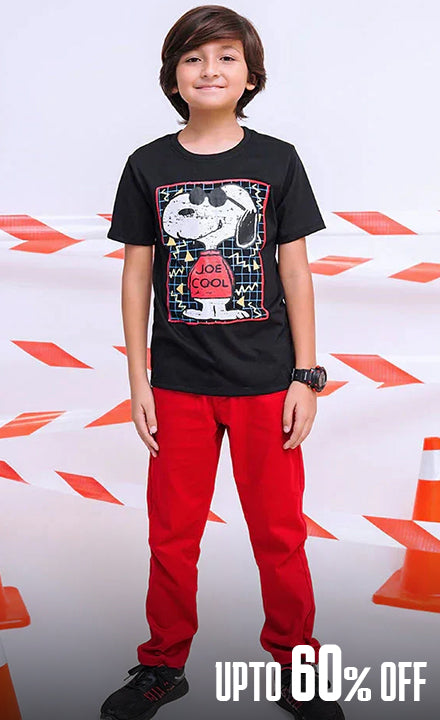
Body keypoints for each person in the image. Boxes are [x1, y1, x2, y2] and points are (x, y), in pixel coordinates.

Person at [101, 5, 344, 720]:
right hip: (177, 385)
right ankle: (162, 665)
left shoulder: (278, 161)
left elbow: (296, 273)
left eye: (226, 57)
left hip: (267, 383)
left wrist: (306, 376)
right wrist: (138, 381)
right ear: (173, 76)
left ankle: (297, 665)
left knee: (279, 535)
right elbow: (136, 277)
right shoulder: (148, 165)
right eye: (194, 58)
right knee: (172, 537)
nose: (210, 70)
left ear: (250, 75)